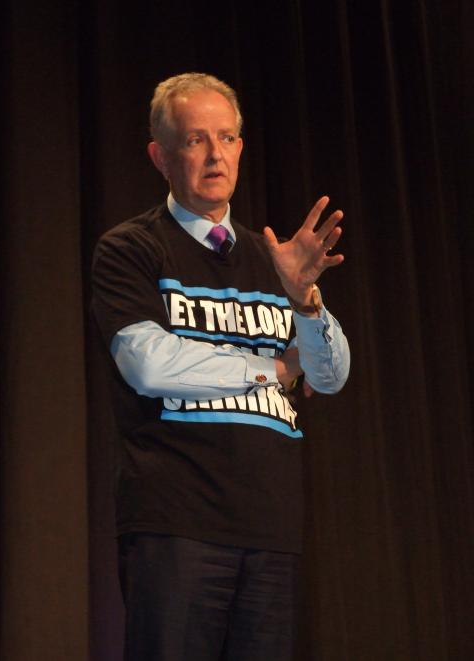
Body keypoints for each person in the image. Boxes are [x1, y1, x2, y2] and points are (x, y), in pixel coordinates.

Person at [91, 72, 350, 661]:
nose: (214, 155)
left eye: (227, 138)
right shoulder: (131, 248)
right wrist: (272, 370)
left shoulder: (274, 257)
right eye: (195, 140)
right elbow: (148, 364)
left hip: (270, 527)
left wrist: (306, 300)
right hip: (175, 524)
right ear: (160, 156)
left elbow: (330, 375)